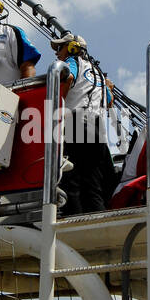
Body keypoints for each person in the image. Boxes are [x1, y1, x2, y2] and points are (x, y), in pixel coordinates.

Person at [53, 34, 117, 215]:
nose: (57, 54)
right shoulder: (98, 74)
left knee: (70, 178)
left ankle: (74, 221)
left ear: (73, 48)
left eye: (60, 48)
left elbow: (68, 77)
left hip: (75, 122)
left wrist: (57, 105)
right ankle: (99, 220)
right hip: (97, 129)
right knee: (93, 183)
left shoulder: (72, 61)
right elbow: (109, 101)